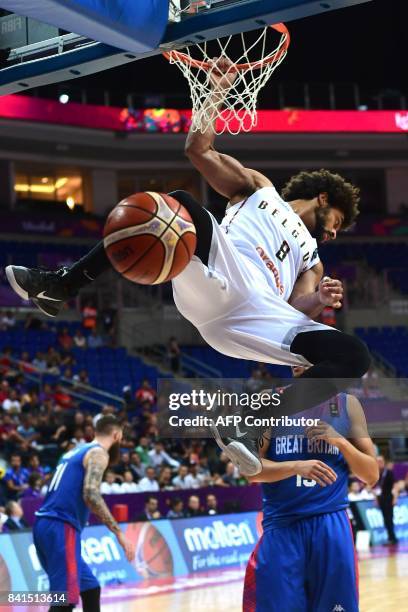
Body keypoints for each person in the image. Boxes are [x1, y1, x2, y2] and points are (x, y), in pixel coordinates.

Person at [5, 62, 370, 476]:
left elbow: (293, 310)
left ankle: (250, 421)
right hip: (221, 272)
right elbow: (199, 151)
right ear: (322, 198)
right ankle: (62, 285)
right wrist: (215, 91)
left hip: (258, 313)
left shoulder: (313, 258)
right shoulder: (258, 188)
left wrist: (318, 299)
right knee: (173, 207)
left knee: (353, 354)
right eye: (337, 221)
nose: (335, 233)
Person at [243, 368, 379, 612]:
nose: (299, 363)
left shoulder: (347, 405)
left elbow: (371, 474)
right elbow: (250, 470)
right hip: (283, 526)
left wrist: (340, 441)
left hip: (330, 524)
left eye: (308, 356)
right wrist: (295, 466)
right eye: (295, 357)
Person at [32, 415, 135, 612]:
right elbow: (91, 494)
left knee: (90, 588)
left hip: (45, 525)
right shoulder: (99, 453)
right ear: (116, 435)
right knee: (65, 601)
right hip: (60, 526)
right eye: (121, 437)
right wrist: (119, 533)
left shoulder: (75, 451)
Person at [376, 455, 398, 545]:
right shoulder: (377, 473)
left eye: (381, 461)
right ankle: (390, 537)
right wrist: (376, 498)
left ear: (384, 462)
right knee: (385, 519)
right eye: (377, 461)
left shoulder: (388, 472)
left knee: (389, 518)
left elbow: (395, 486)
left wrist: (395, 498)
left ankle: (393, 538)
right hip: (381, 499)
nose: (379, 463)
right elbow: (376, 488)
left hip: (389, 498)